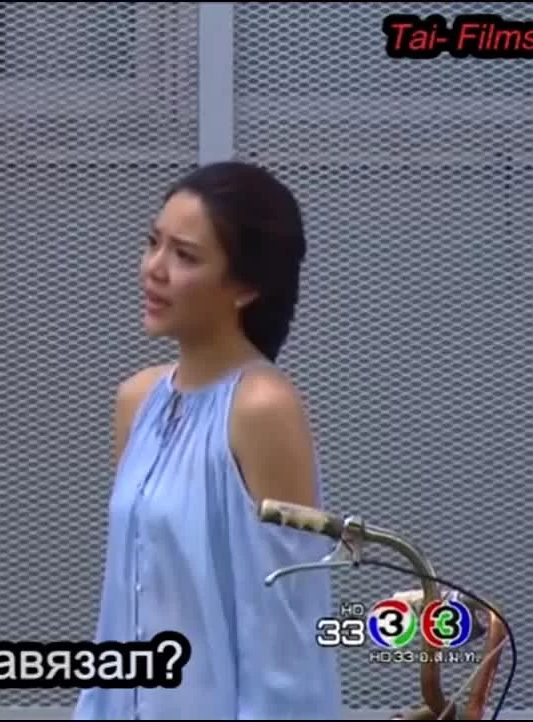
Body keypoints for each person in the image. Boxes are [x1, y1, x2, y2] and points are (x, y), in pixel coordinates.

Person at [73, 161, 343, 720]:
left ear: (245, 287)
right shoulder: (137, 401)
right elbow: (123, 609)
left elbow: (287, 637)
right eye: (153, 243)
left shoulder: (263, 409)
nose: (154, 268)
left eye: (185, 256)